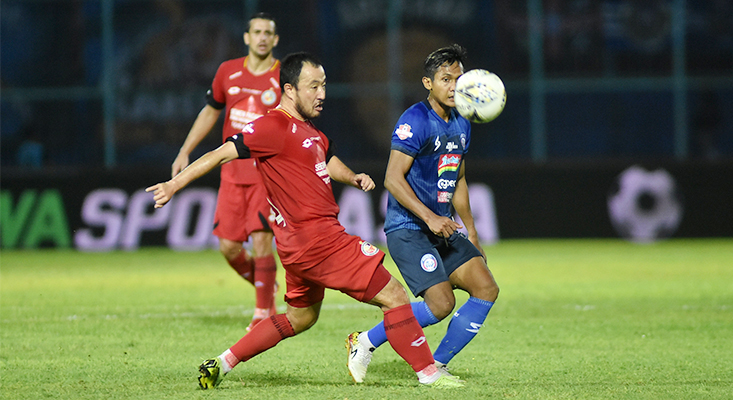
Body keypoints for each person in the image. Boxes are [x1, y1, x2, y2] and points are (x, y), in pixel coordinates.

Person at [146, 52, 463, 389]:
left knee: (301, 317)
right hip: (319, 241)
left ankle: (221, 364)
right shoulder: (272, 126)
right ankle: (429, 374)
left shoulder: (309, 130)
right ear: (289, 89)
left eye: (324, 85)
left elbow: (325, 159)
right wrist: (173, 184)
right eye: (313, 86)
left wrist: (352, 176)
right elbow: (220, 153)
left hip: (298, 248)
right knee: (395, 296)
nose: (322, 93)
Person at [345, 44, 499, 383]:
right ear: (428, 83)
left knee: (486, 288)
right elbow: (392, 179)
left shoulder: (463, 122)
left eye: (458, 79)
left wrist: (471, 231)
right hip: (408, 228)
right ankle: (365, 342)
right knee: (440, 305)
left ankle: (437, 364)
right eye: (446, 79)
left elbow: (457, 178)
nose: (453, 87)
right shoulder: (414, 120)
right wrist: (429, 217)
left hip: (442, 228)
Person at [171, 12, 281, 331]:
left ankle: (263, 311)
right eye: (256, 32)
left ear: (275, 40)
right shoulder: (227, 72)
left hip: (266, 173)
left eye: (268, 33)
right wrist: (185, 150)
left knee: (261, 241)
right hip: (232, 173)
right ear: (246, 37)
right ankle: (266, 285)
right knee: (229, 248)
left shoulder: (282, 76)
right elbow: (210, 111)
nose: (262, 37)